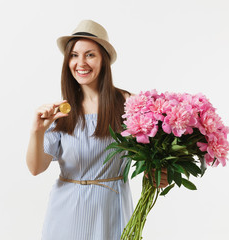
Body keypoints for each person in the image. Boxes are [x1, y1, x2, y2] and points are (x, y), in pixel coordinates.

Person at [26, 20, 168, 240]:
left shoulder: (127, 103)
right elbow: (36, 168)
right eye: (73, 55)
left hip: (111, 209)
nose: (80, 62)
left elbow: (151, 156)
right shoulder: (62, 110)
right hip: (66, 213)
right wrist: (37, 131)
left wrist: (159, 172)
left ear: (104, 59)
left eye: (90, 54)